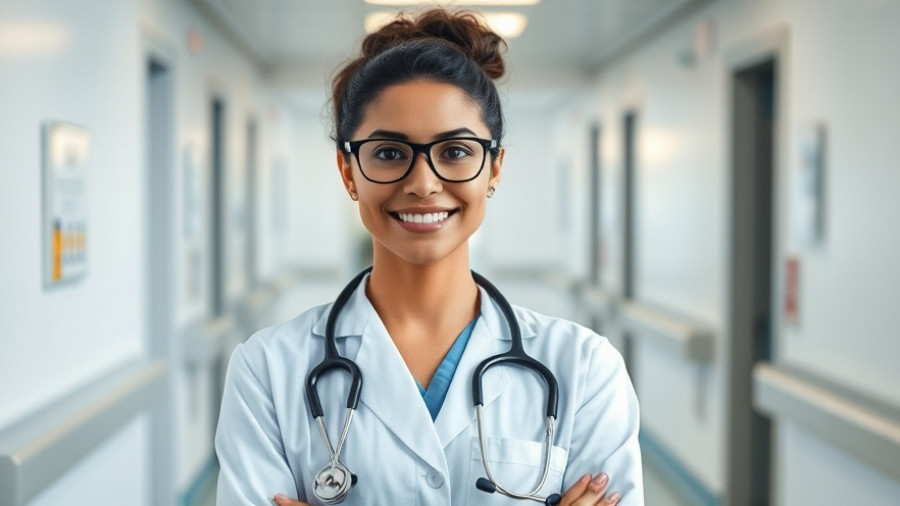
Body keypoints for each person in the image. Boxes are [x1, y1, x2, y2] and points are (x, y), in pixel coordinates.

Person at [215, 8, 643, 505]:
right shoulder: (267, 371)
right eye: (390, 153)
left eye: (456, 151)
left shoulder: (585, 369)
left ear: (494, 168)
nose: (422, 184)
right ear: (348, 171)